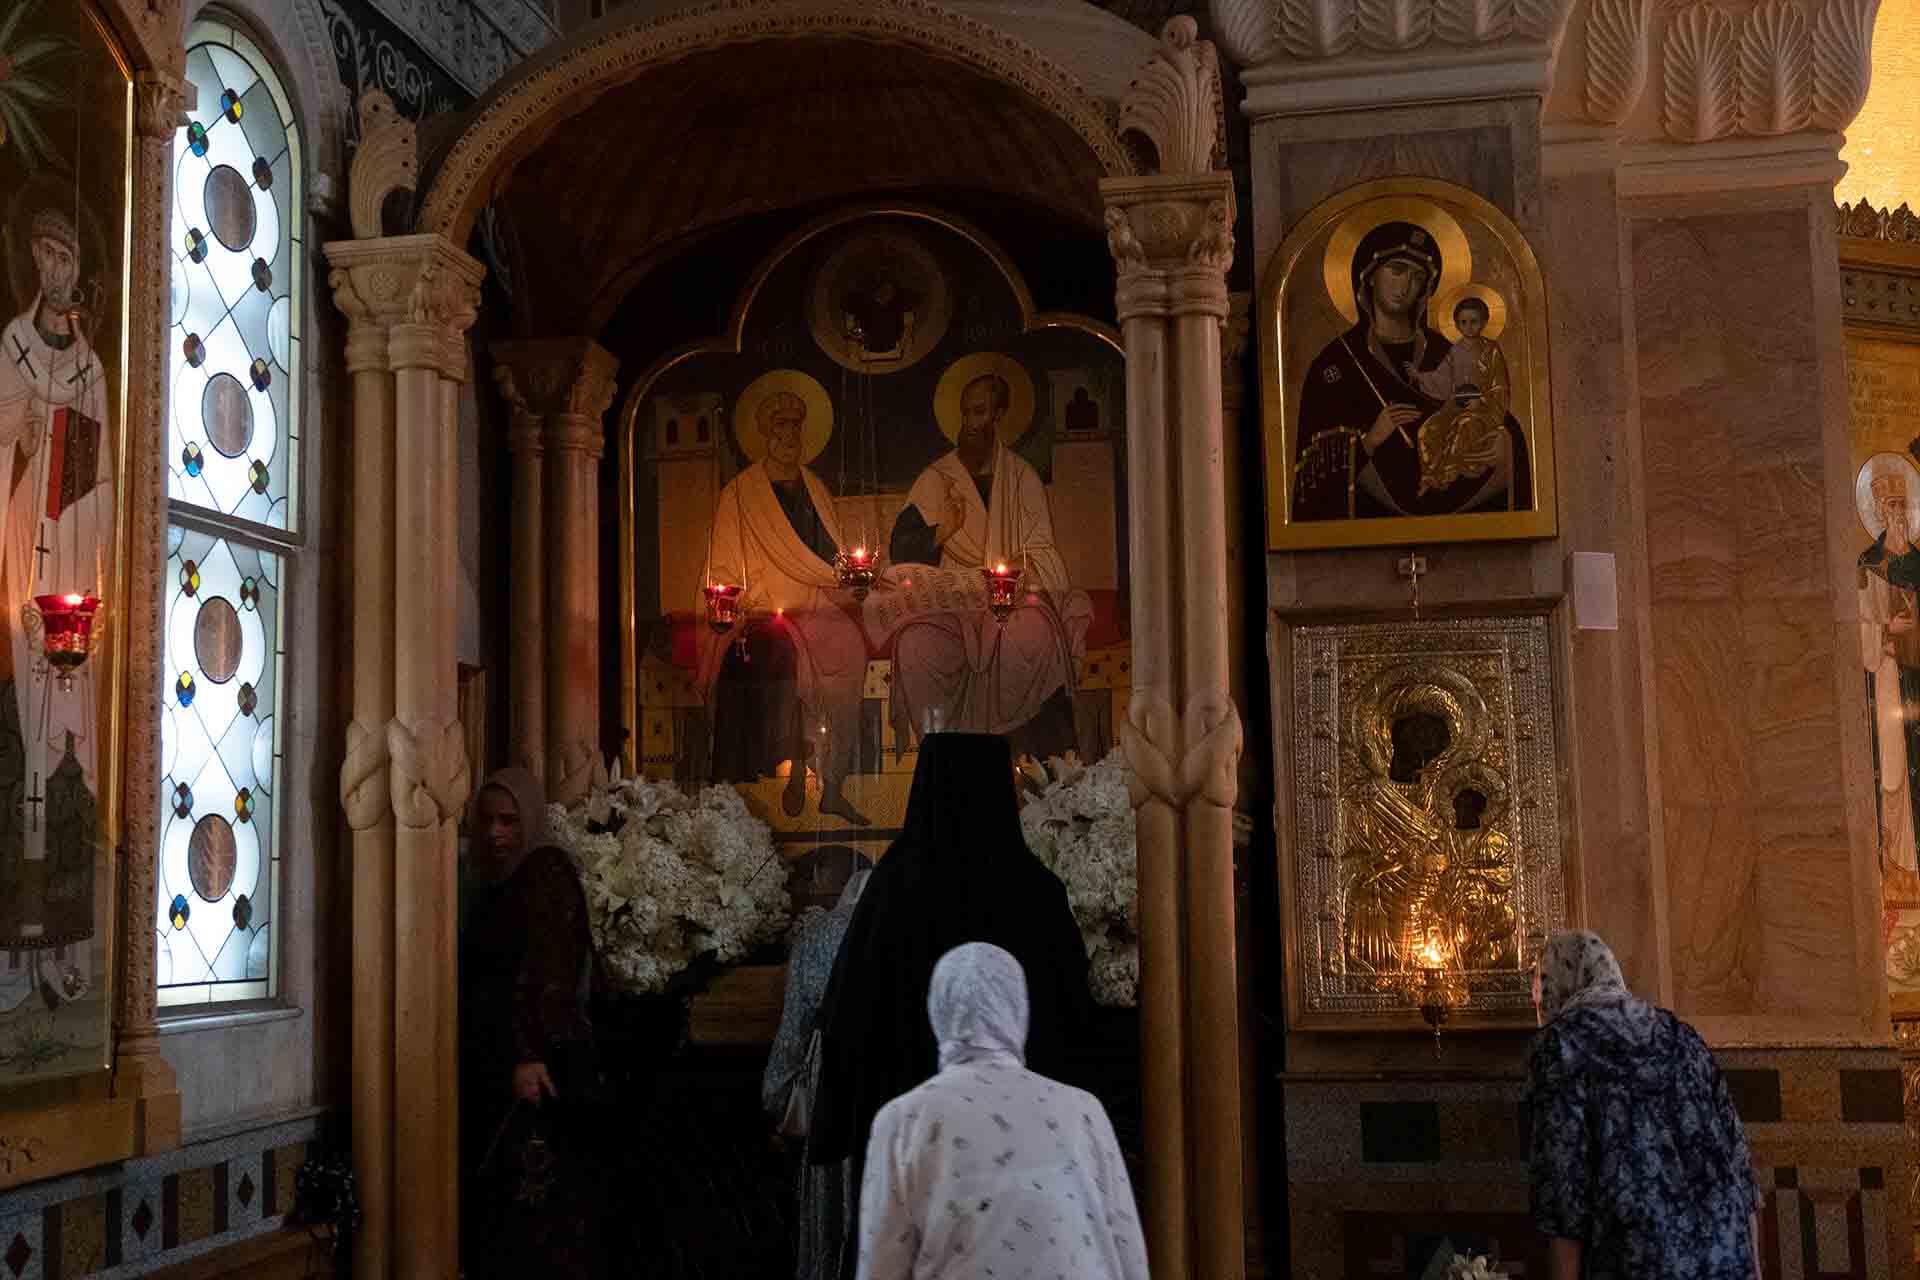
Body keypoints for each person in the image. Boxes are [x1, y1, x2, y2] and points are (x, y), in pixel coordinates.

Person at [807, 734, 1093, 1278]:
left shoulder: (891, 891)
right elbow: (1072, 1020)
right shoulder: (1036, 894)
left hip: (909, 1137)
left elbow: (849, 1015)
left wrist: (834, 1126)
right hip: (1018, 1150)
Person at [854, 942, 1148, 1280]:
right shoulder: (1084, 1110)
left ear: (938, 1009)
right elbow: (1128, 1252)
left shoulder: (903, 1119)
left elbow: (881, 1265)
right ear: (1019, 1009)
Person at [1527, 930, 1762, 1280]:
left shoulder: (1561, 1046)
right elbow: (1740, 1170)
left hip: (1639, 1260)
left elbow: (1563, 1196)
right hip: (1726, 1253)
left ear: (1555, 984)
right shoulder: (1682, 1037)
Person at [884, 372, 1089, 757]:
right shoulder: (936, 479)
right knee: (915, 644)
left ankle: (1026, 758)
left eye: (979, 413)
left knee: (1034, 635)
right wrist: (943, 531)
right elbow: (900, 550)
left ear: (998, 416)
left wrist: (1016, 568)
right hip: (951, 602)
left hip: (1010, 597)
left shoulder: (1021, 479)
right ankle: (944, 756)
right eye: (965, 413)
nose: (970, 424)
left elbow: (1043, 551)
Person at [0, 207, 112, 898]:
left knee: (66, 678)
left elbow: (101, 468)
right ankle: (26, 837)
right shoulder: (13, 342)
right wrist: (23, 431)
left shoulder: (91, 365)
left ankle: (62, 846)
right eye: (43, 253)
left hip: (71, 530)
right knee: (26, 666)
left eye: (63, 255)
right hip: (25, 521)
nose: (53, 266)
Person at [459, 768, 608, 1279]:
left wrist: (527, 1055)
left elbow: (549, 971)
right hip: (499, 1061)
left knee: (540, 1208)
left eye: (509, 821)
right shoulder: (492, 880)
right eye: (486, 821)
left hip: (543, 1068)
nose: (495, 833)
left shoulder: (546, 873)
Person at [701, 388, 871, 824]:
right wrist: (735, 601)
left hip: (815, 601)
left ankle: (833, 784)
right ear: (764, 433)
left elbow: (833, 560)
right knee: (780, 656)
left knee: (850, 648)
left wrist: (853, 582)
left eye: (795, 425)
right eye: (780, 425)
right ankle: (792, 771)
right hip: (764, 607)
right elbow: (723, 567)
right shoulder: (739, 494)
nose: (789, 434)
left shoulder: (816, 488)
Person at [1291, 221, 1530, 520]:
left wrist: (1504, 443)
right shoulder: (1336, 364)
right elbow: (1311, 473)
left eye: (1417, 277)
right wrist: (1371, 440)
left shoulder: (1448, 351)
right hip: (1371, 523)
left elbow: (1488, 407)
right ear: (1370, 275)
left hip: (1457, 506)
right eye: (1397, 270)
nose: (1405, 286)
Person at [765, 866, 873, 1280]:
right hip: (898, 1090)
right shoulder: (915, 932)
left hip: (832, 1088)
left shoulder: (818, 936)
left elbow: (795, 1029)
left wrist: (777, 1100)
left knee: (832, 1215)